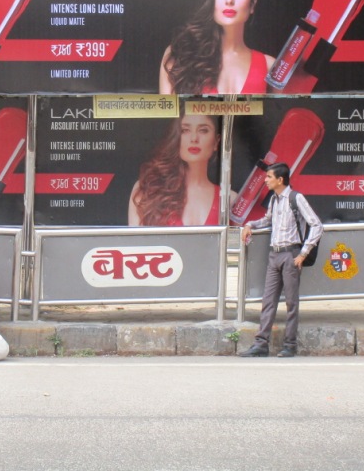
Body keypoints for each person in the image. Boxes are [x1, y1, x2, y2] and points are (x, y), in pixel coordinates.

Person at [238, 162, 323, 358]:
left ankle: (290, 344)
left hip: (291, 254)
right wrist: (249, 224)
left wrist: (303, 253)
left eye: (269, 177)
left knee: (291, 303)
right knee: (268, 301)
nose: (266, 180)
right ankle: (261, 344)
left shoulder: (296, 198)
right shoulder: (274, 200)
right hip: (274, 254)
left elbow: (317, 225)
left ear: (280, 179)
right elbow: (267, 220)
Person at [159, 0, 274, 94]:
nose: (229, 0)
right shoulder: (180, 54)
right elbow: (168, 113)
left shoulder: (270, 66)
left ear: (253, 3)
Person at [128, 114, 220, 226]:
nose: (194, 138)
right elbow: (136, 242)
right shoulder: (147, 190)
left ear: (216, 142)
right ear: (177, 137)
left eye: (203, 130)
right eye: (185, 130)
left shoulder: (230, 200)